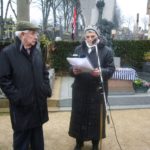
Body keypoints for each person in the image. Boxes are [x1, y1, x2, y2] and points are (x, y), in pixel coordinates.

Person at [0, 21, 51, 150]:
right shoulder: (7, 53)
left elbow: (44, 73)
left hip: (38, 106)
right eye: (33, 33)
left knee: (38, 143)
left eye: (36, 33)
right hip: (22, 109)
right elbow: (3, 79)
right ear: (22, 34)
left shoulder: (37, 52)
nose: (36, 36)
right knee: (21, 143)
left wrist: (45, 89)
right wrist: (18, 97)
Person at [68, 25, 115, 150]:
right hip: (80, 89)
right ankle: (79, 141)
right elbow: (71, 67)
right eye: (87, 36)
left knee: (96, 116)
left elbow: (111, 69)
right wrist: (74, 71)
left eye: (92, 36)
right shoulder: (78, 49)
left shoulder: (106, 50)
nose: (89, 39)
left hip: (97, 89)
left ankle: (95, 142)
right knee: (79, 114)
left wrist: (101, 71)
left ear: (97, 36)